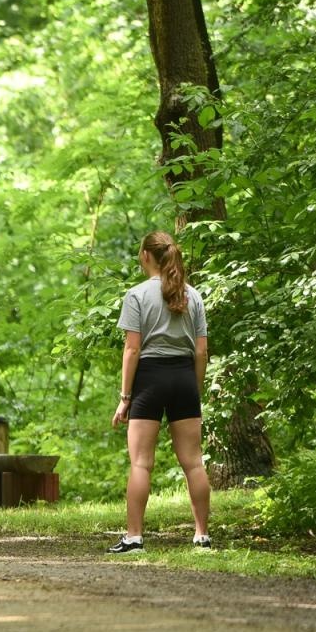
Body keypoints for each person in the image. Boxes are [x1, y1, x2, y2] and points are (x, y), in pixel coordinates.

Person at [110, 231, 212, 552]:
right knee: (193, 463)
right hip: (183, 376)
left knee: (141, 463)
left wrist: (125, 398)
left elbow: (132, 350)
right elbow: (201, 352)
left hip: (150, 379)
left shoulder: (136, 295)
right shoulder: (192, 295)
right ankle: (202, 536)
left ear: (145, 257)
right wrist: (193, 389)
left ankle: (135, 537)